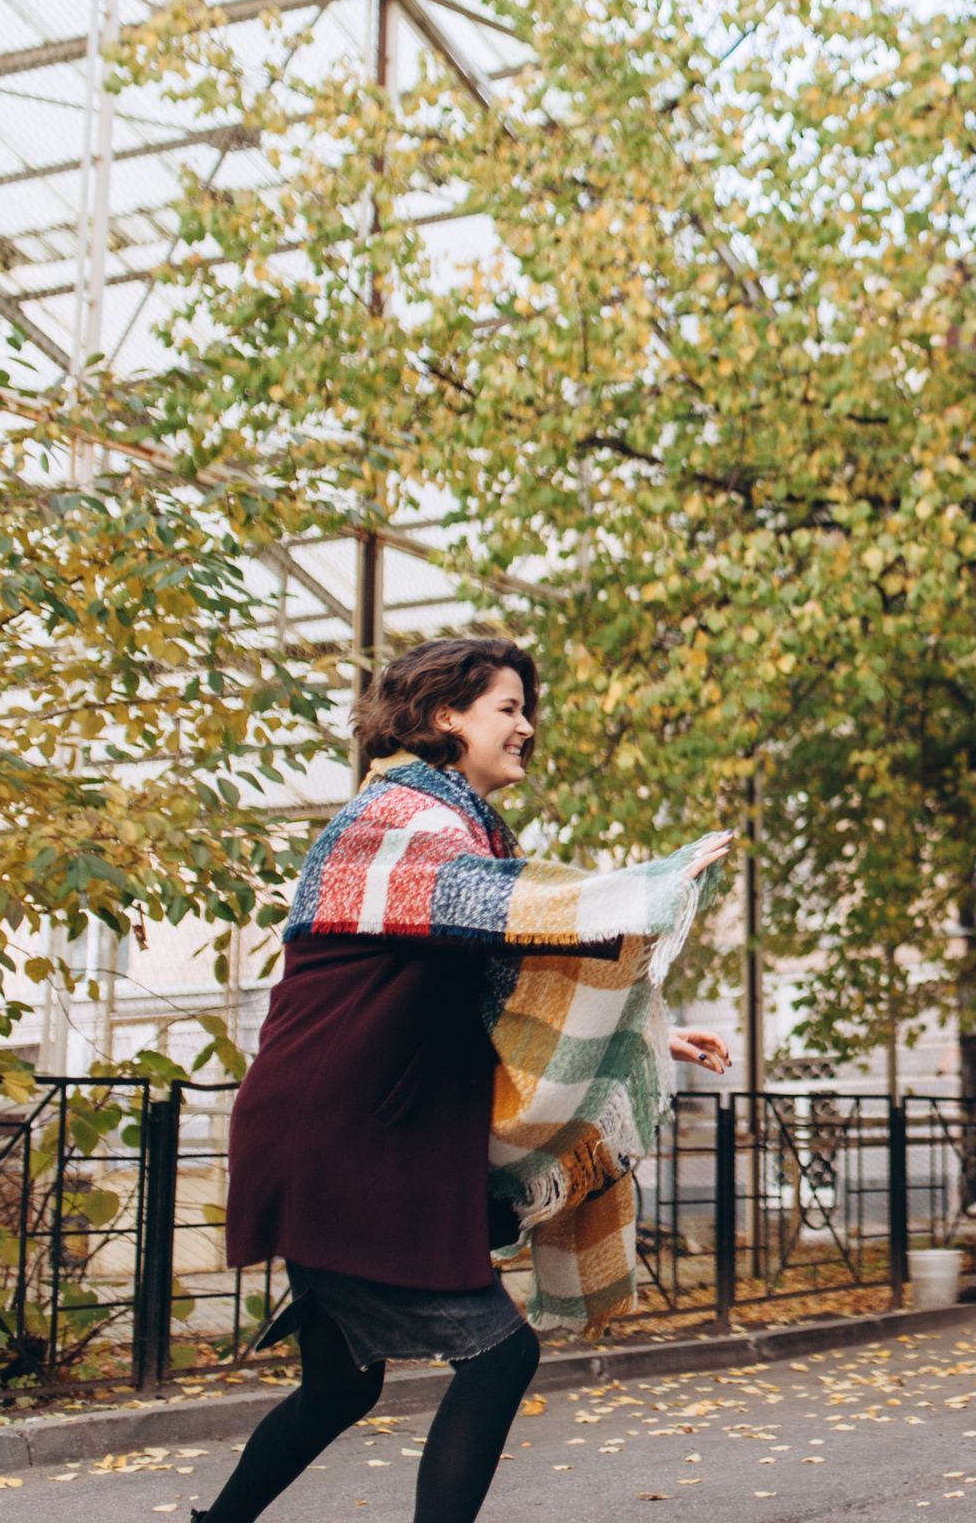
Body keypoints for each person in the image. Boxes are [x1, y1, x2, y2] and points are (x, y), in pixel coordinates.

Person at [201, 637, 731, 1523]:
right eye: (508, 708)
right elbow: (509, 910)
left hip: (358, 1134)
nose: (527, 727)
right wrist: (650, 888)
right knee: (498, 1356)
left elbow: (508, 980)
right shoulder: (399, 818)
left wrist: (654, 1037)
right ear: (446, 715)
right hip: (345, 1142)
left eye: (527, 710)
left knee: (339, 1390)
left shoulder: (463, 830)